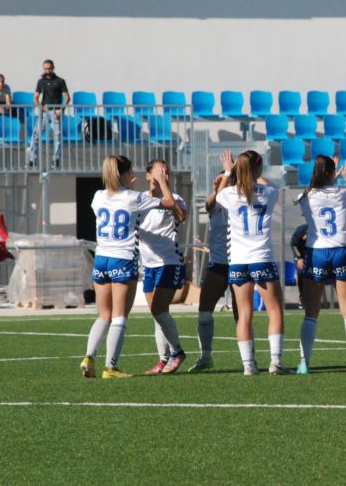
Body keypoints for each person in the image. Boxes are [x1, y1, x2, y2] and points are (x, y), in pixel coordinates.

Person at [80, 155, 178, 379]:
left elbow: (113, 202)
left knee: (103, 315)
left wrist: (124, 186)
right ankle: (110, 367)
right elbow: (170, 203)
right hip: (122, 259)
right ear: (125, 174)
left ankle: (88, 356)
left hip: (101, 258)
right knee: (119, 317)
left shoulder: (97, 196)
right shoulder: (134, 197)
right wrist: (162, 182)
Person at [216, 150, 287, 376]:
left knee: (244, 314)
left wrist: (230, 171)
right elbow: (269, 185)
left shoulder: (229, 193)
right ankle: (275, 362)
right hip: (261, 258)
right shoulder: (268, 192)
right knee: (274, 311)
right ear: (258, 169)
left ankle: (248, 365)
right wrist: (255, 174)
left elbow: (218, 195)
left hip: (238, 261)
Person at [296, 155, 346, 374]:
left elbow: (309, 194)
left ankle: (304, 363)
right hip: (340, 251)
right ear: (331, 174)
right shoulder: (343, 194)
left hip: (317, 252)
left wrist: (328, 176)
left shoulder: (306, 196)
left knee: (311, 311)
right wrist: (345, 178)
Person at [139, 159, 189, 375]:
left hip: (169, 262)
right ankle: (163, 359)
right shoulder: (138, 199)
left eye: (167, 172)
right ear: (147, 175)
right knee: (157, 313)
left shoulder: (174, 198)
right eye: (159, 172)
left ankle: (177, 352)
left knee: (159, 310)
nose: (163, 175)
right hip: (147, 264)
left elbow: (181, 216)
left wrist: (164, 185)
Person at [188, 172, 239, 372]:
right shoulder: (215, 204)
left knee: (240, 312)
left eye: (221, 180)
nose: (216, 182)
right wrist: (219, 184)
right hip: (218, 263)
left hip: (238, 263)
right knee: (204, 309)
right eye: (216, 180)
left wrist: (226, 180)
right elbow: (209, 203)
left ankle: (249, 357)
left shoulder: (238, 200)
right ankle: (206, 355)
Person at [27, 59, 70, 168]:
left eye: (49, 68)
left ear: (53, 68)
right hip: (44, 112)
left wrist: (61, 109)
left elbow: (67, 97)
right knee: (36, 135)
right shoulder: (41, 81)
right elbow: (35, 97)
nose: (48, 71)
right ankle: (32, 158)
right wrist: (40, 107)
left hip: (56, 112)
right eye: (46, 69)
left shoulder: (60, 81)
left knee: (57, 136)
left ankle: (56, 160)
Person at [290, 224, 308, 308]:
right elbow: (293, 244)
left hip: (314, 254)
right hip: (301, 255)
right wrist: (299, 257)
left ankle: (313, 298)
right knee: (300, 273)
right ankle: (302, 297)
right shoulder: (302, 229)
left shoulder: (319, 228)